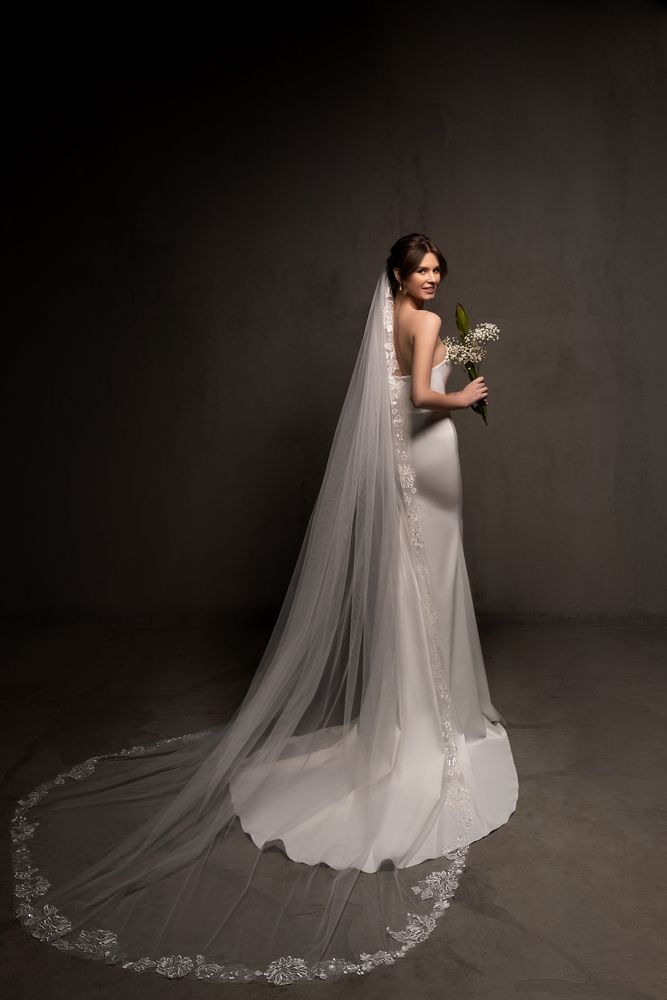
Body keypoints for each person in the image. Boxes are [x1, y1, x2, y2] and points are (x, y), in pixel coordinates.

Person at [11, 234, 518, 987]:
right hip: (430, 457)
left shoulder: (389, 319)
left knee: (420, 586)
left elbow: (397, 387)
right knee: (430, 582)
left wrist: (460, 352)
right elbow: (417, 397)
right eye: (422, 270)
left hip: (416, 465)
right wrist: (463, 390)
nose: (433, 278)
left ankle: (419, 710)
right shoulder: (418, 320)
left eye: (439, 270)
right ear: (397, 275)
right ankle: (431, 722)